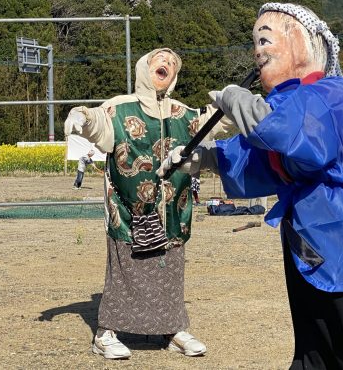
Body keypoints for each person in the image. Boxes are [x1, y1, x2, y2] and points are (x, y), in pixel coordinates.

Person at [158, 3, 343, 369]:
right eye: (255, 43)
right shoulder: (289, 102)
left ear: (303, 42)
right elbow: (263, 158)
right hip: (309, 241)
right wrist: (207, 159)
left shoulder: (333, 94)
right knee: (316, 348)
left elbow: (292, 132)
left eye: (266, 39)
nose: (258, 51)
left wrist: (241, 103)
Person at [64, 48, 228, 360]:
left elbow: (212, 122)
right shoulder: (120, 108)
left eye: (173, 63)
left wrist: (234, 108)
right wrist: (81, 117)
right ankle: (105, 333)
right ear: (144, 68)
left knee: (169, 275)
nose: (166, 63)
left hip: (172, 213)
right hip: (128, 212)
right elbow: (97, 122)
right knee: (125, 272)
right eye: (159, 60)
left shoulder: (183, 113)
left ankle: (172, 330)